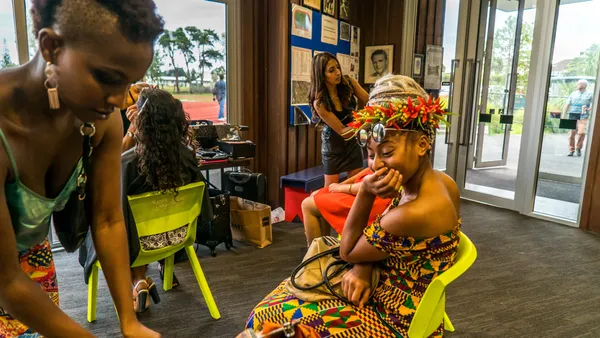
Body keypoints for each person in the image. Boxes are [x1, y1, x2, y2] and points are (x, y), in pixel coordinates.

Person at [245, 75, 461, 337]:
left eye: (387, 152)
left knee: (265, 318)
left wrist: (366, 193)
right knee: (274, 309)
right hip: (397, 293)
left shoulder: (413, 212)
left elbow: (348, 250)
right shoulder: (442, 182)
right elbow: (389, 244)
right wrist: (363, 264)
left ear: (422, 145)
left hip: (391, 317)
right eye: (371, 154)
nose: (376, 165)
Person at [0, 0, 164, 337]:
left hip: (29, 260)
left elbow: (107, 220)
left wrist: (129, 322)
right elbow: (6, 281)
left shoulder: (99, 121)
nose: (120, 101)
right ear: (51, 47)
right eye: (108, 78)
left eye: (130, 83)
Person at [80, 88, 213, 312]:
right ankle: (143, 278)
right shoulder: (187, 156)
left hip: (140, 243)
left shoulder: (129, 163)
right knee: (141, 221)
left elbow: (115, 214)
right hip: (177, 238)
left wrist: (133, 130)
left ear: (143, 120)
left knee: (111, 224)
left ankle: (137, 281)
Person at [309, 52, 369, 187]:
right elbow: (343, 131)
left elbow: (370, 101)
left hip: (352, 141)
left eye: (337, 67)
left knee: (354, 186)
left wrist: (373, 115)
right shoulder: (320, 102)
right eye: (331, 70)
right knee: (330, 190)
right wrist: (365, 122)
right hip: (333, 145)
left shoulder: (349, 82)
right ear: (321, 75)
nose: (338, 73)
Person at [301, 168, 391, 247]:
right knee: (316, 194)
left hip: (374, 198)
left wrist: (343, 187)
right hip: (362, 187)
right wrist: (342, 184)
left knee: (307, 204)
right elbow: (369, 170)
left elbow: (375, 184)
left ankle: (314, 256)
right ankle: (322, 248)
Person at [563, 79, 593, 157]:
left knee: (582, 132)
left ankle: (578, 148)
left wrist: (589, 108)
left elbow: (594, 103)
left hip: (583, 115)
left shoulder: (590, 94)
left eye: (579, 84)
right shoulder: (573, 93)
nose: (577, 85)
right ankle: (571, 150)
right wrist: (563, 115)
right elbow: (567, 104)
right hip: (572, 114)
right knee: (571, 133)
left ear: (584, 85)